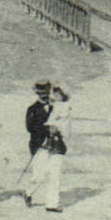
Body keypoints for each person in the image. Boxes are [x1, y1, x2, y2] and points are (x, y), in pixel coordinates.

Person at [23, 81, 69, 212]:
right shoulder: (32, 109)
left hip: (57, 145)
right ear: (37, 93)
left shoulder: (58, 106)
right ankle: (28, 192)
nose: (44, 96)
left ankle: (51, 204)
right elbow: (30, 128)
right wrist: (47, 128)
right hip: (40, 145)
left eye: (46, 93)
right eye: (41, 93)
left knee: (55, 175)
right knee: (39, 175)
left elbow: (65, 123)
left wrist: (59, 129)